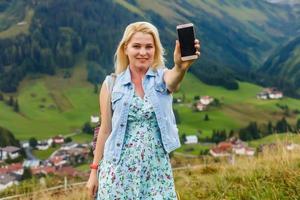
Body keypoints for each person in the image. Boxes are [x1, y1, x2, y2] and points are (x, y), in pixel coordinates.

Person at [86, 21, 200, 199]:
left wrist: (181, 66)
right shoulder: (111, 84)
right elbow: (105, 130)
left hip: (156, 172)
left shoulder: (162, 78)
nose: (143, 52)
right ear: (125, 49)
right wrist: (94, 172)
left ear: (155, 50)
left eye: (149, 46)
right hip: (117, 172)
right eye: (136, 46)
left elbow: (174, 80)